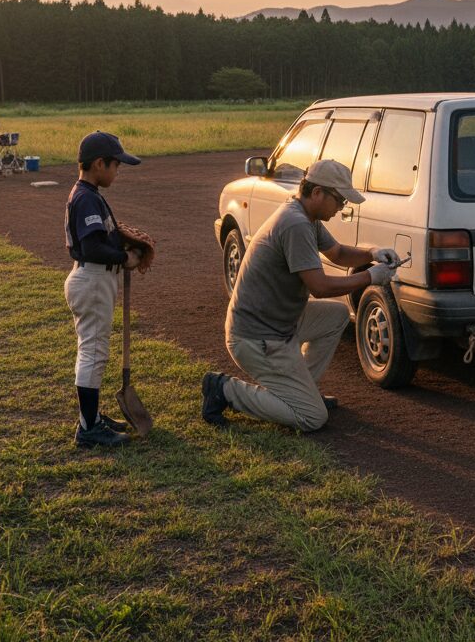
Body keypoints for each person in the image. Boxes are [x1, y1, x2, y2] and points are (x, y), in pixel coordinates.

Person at [202, 159, 400, 432]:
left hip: (277, 323)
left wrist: (372, 253)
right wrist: (369, 277)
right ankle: (224, 390)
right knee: (312, 417)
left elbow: (338, 254)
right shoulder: (295, 223)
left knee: (337, 315)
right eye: (339, 200)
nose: (342, 207)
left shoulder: (305, 216)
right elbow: (319, 287)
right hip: (256, 337)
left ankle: (300, 390)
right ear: (317, 193)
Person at [64, 131, 156, 447]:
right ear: (99, 164)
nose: (118, 171)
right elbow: (91, 247)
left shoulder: (89, 194)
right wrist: (123, 257)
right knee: (93, 352)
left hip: (94, 279)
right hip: (91, 278)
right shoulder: (86, 196)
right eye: (115, 165)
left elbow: (101, 238)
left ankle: (90, 418)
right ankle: (88, 429)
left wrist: (121, 243)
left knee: (94, 351)